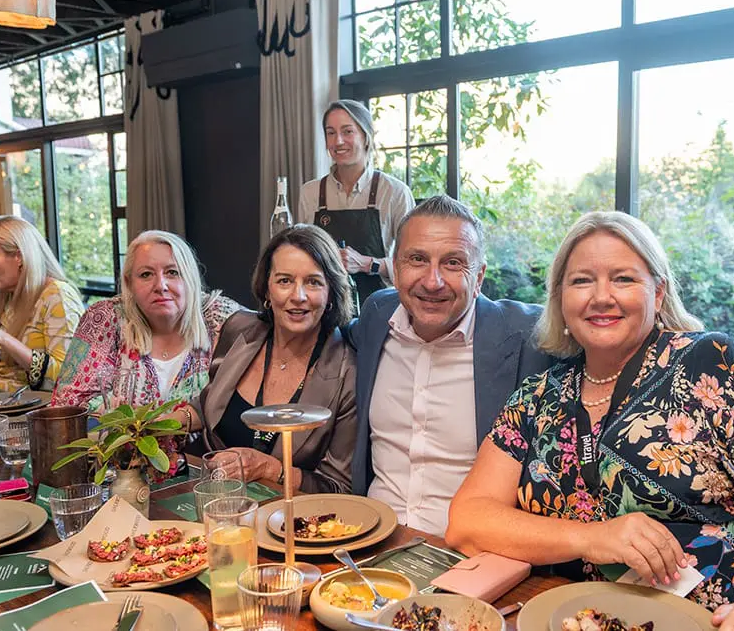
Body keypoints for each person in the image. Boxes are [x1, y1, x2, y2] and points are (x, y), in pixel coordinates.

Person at [445, 211, 734, 630]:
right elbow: (468, 520)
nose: (601, 296)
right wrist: (591, 537)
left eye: (623, 279)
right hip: (576, 619)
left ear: (658, 293)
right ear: (560, 299)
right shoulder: (536, 398)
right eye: (582, 280)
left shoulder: (714, 367)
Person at [348, 195, 551, 535]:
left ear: (480, 277)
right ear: (395, 268)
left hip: (471, 556)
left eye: (453, 263)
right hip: (370, 539)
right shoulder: (376, 315)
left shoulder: (527, 335)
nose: (432, 281)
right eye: (417, 259)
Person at [174, 224, 357, 494]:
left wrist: (268, 469)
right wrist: (154, 426)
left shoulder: (347, 372)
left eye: (313, 282)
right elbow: (208, 406)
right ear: (267, 288)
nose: (298, 296)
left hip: (293, 521)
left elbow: (340, 488)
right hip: (215, 504)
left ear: (331, 292)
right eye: (285, 281)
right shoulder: (238, 329)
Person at [52, 230, 241, 413]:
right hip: (121, 444)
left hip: (214, 446)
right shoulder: (105, 318)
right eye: (146, 275)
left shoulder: (225, 319)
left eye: (172, 272)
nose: (160, 285)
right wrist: (110, 412)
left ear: (190, 277)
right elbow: (66, 402)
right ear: (129, 283)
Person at [0, 216, 84, 391]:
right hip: (5, 400)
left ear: (19, 256)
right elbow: (9, 365)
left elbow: (66, 376)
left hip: (40, 410)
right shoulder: (12, 295)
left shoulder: (58, 295)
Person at [299, 99, 415, 305]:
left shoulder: (395, 193)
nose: (338, 141)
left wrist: (366, 264)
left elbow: (413, 264)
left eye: (348, 131)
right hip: (323, 307)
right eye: (330, 132)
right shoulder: (310, 192)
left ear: (366, 136)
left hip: (380, 309)